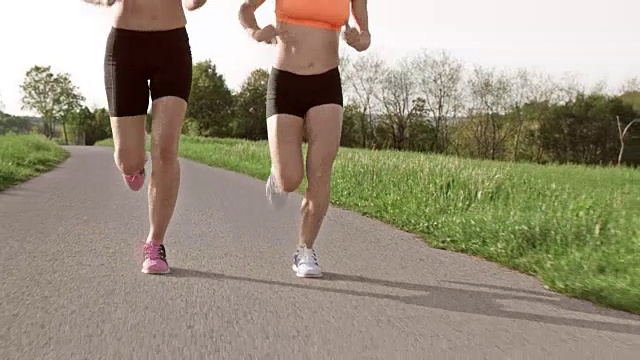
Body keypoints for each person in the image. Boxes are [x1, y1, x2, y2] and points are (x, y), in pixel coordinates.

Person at [238, 0, 371, 278]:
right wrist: (255, 32)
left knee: (321, 171)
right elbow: (245, 9)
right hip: (285, 81)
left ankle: (305, 249)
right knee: (290, 180)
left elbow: (364, 35)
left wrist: (359, 40)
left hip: (326, 83)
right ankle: (277, 177)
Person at [84, 0, 207, 274]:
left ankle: (155, 242)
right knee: (128, 159)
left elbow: (192, 3)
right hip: (125, 45)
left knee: (165, 149)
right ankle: (134, 160)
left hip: (172, 45)